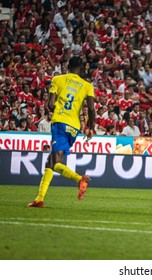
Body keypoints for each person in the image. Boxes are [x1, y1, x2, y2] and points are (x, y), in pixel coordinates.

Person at [28, 56, 96, 208]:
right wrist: (91, 127)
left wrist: (58, 107)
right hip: (74, 128)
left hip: (60, 123)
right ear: (82, 68)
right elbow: (91, 109)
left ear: (67, 66)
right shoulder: (87, 86)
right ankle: (39, 199)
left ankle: (79, 179)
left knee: (55, 162)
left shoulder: (58, 79)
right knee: (50, 162)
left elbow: (50, 105)